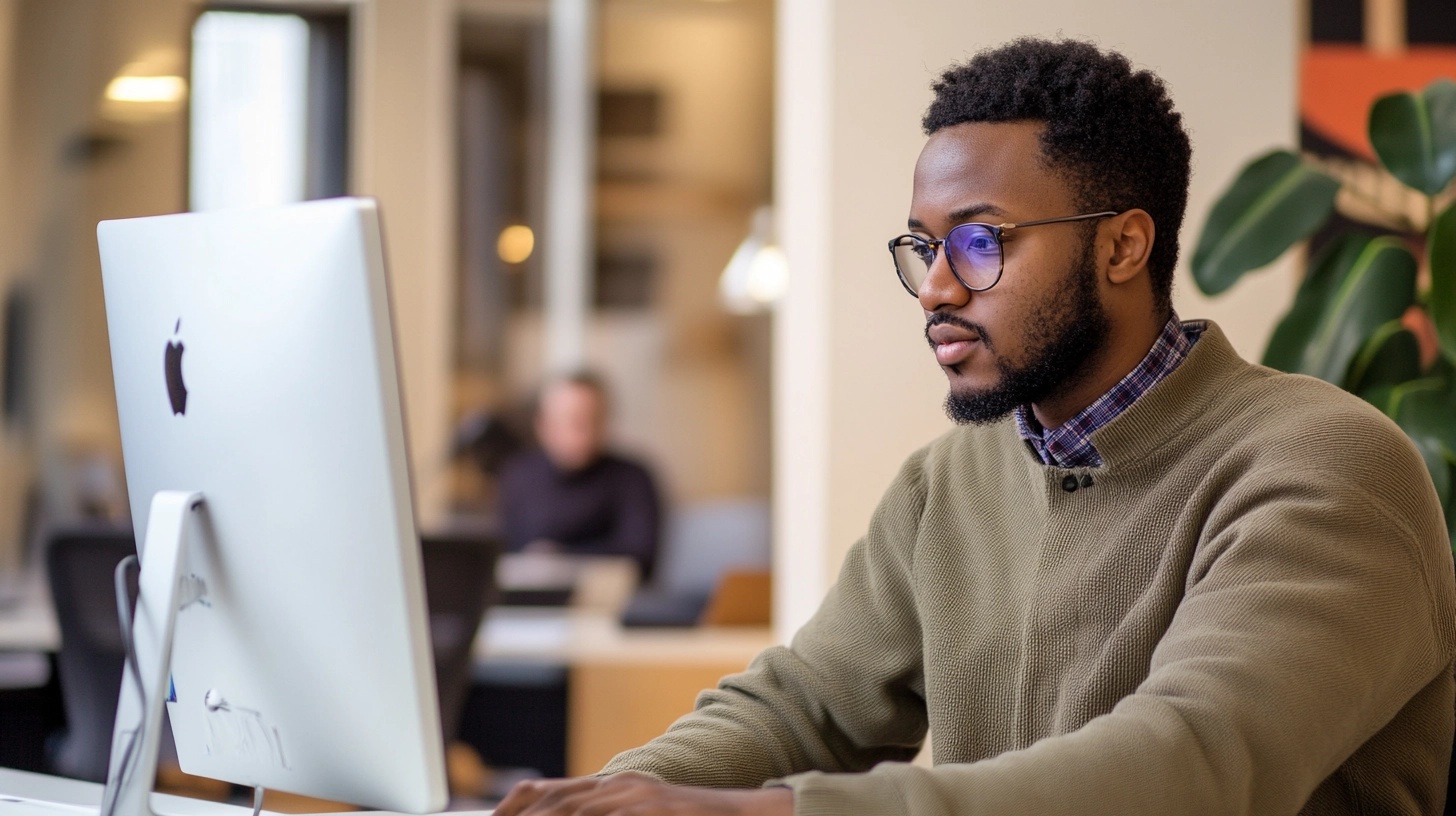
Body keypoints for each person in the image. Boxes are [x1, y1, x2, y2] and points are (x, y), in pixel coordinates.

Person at [496, 38, 1456, 816]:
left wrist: (773, 814)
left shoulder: (1325, 465)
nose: (939, 289)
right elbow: (802, 708)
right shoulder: (947, 483)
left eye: (981, 241)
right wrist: (616, 794)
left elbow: (1191, 769)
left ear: (1124, 244)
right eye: (924, 247)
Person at [497, 371, 662, 580]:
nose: (584, 433)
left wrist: (562, 558)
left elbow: (641, 556)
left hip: (606, 596)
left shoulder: (632, 477)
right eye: (573, 421)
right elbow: (504, 548)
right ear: (544, 425)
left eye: (593, 420)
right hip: (527, 596)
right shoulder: (519, 474)